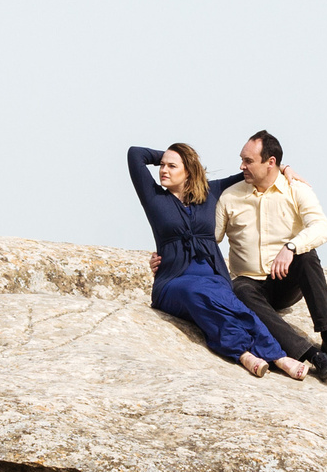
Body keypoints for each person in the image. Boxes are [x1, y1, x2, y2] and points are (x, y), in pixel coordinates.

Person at [126, 144, 311, 380]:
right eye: (162, 165)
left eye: (172, 166)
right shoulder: (153, 197)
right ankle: (242, 353)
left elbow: (250, 173)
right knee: (196, 293)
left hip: (213, 276)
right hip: (174, 281)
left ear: (189, 171)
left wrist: (283, 168)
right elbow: (135, 154)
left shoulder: (211, 192)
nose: (163, 170)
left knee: (232, 303)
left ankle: (277, 356)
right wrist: (172, 154)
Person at [217, 130, 327, 378]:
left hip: (284, 282)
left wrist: (291, 247)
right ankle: (314, 355)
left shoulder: (295, 189)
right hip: (250, 287)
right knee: (238, 289)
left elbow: (323, 227)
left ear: (270, 163)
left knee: (308, 256)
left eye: (248, 161)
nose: (241, 166)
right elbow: (209, 238)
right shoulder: (230, 196)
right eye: (242, 159)